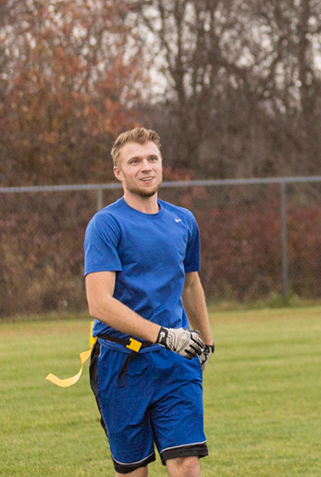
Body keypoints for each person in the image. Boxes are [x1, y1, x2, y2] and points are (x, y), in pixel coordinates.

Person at [85, 127, 215, 476]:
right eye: (135, 161)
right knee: (134, 472)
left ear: (162, 164)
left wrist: (208, 341)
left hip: (176, 362)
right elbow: (99, 303)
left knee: (187, 464)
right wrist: (162, 334)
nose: (146, 167)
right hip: (121, 365)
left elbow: (190, 285)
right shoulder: (106, 224)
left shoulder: (183, 220)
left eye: (152, 159)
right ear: (118, 172)